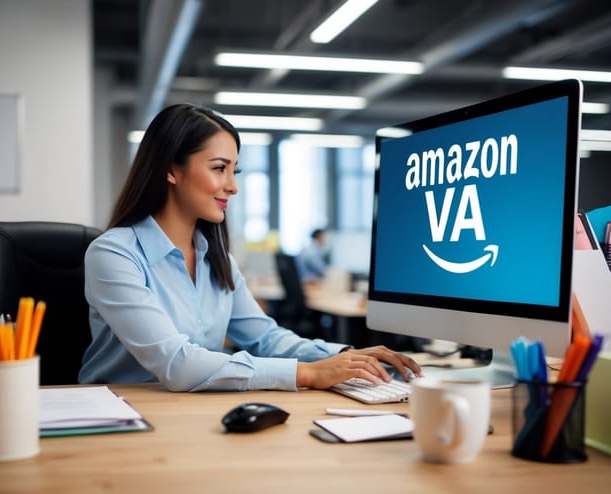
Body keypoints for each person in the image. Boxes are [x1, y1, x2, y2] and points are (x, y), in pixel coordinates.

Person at [78, 103, 421, 392]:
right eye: (219, 169)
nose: (232, 186)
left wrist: (347, 355)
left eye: (234, 171)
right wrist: (309, 373)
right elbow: (176, 363)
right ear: (171, 170)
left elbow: (266, 339)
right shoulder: (114, 254)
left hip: (188, 411)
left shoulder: (217, 260)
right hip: (123, 413)